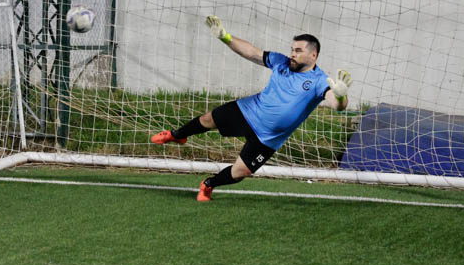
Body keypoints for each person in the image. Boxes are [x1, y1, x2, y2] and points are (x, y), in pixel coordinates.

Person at [151, 15, 353, 201]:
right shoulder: (280, 62)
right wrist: (225, 37)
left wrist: (341, 95)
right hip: (248, 111)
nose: (292, 54)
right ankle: (177, 135)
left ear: (313, 55)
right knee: (207, 119)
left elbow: (337, 105)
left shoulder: (319, 80)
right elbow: (251, 52)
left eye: (298, 51)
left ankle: (208, 184)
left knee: (241, 172)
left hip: (268, 138)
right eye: (292, 49)